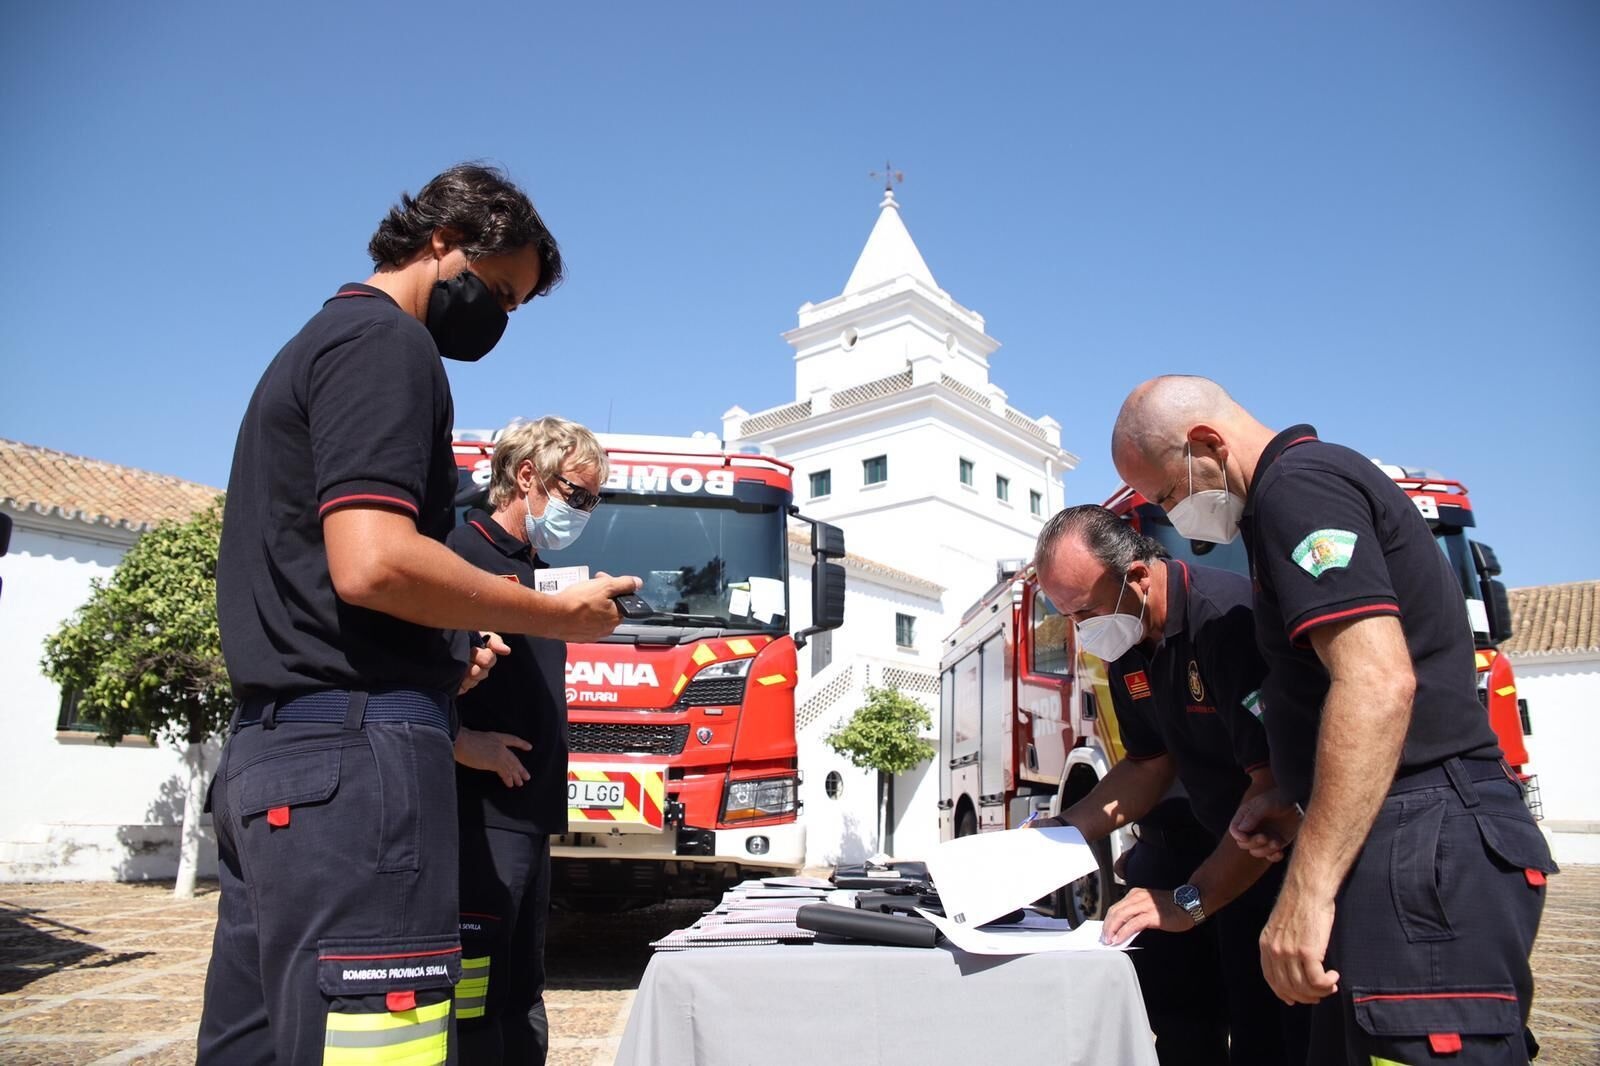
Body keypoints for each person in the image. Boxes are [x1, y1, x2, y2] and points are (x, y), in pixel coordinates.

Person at [200, 164, 641, 1065]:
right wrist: (555, 616)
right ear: (445, 242)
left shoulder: (312, 346)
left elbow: (324, 579)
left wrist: (445, 651)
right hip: (354, 759)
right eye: (502, 292)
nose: (500, 320)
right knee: (376, 1040)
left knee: (261, 1043)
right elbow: (373, 563)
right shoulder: (386, 345)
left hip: (275, 755)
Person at [1112, 375, 1554, 1066]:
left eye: (1167, 495)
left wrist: (1307, 893)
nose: (1174, 515)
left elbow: (1377, 683)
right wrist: (1290, 800)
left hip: (1422, 834)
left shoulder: (1298, 489)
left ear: (1205, 446)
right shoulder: (1280, 508)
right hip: (1400, 831)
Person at [1033, 505, 1305, 1066]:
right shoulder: (1126, 643)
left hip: (1264, 856)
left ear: (1137, 575)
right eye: (1066, 616)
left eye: (1084, 610)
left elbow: (1272, 791)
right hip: (1193, 842)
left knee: (1265, 1034)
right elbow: (1149, 764)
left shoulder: (1226, 622)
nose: (1081, 633)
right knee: (1175, 1025)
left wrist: (1189, 901)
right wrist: (1060, 834)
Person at [447, 416, 607, 1064]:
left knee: (520, 990)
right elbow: (403, 671)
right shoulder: (459, 556)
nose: (585, 511)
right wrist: (462, 741)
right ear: (525, 477)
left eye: (593, 500)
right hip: (478, 818)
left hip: (527, 819)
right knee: (475, 998)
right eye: (577, 494)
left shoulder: (536, 569)